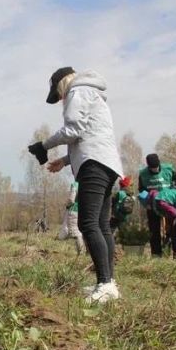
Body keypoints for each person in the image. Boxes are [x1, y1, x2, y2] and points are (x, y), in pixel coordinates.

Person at [28, 66, 123, 304]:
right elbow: (92, 136)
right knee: (101, 223)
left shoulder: (77, 92)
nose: (60, 100)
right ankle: (108, 281)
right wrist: (65, 160)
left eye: (58, 95)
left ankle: (105, 284)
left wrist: (45, 145)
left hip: (93, 165)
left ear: (62, 85)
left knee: (87, 222)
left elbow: (74, 129)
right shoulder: (94, 94)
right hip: (107, 164)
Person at [138, 154, 176, 257]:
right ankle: (156, 254)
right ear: (148, 166)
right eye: (152, 169)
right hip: (153, 204)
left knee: (174, 228)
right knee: (154, 231)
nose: (155, 170)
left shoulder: (169, 169)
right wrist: (146, 201)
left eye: (156, 168)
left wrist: (173, 189)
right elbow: (141, 190)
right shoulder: (143, 174)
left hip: (169, 204)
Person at [58, 181, 85, 255]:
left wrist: (67, 205)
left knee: (76, 232)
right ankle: (87, 252)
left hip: (74, 210)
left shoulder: (76, 184)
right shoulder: (87, 182)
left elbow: (71, 199)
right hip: (84, 210)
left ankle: (81, 252)